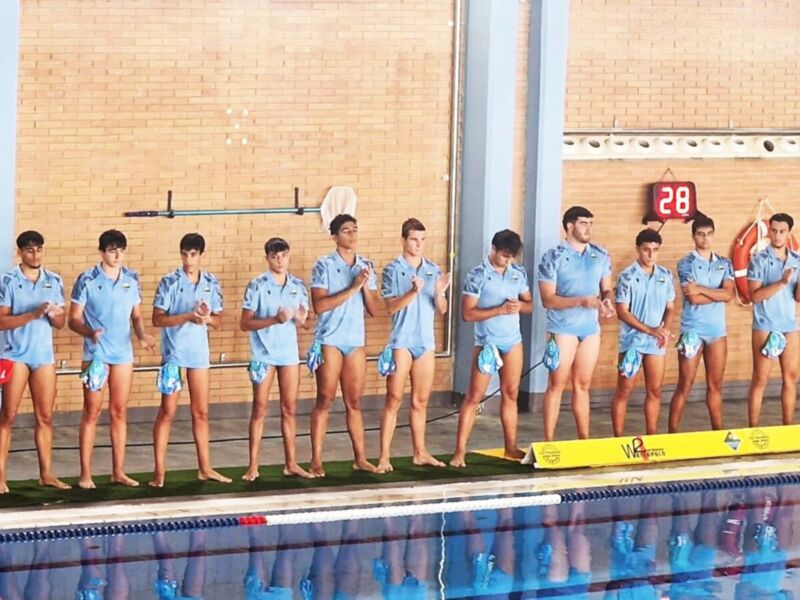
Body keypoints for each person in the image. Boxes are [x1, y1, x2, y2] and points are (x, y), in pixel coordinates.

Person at [69, 229, 157, 489]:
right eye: (112, 250)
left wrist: (142, 336)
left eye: (121, 250)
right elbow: (74, 319)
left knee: (119, 411)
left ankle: (118, 471)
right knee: (91, 412)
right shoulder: (87, 279)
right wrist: (89, 332)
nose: (117, 255)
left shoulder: (131, 278)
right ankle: (86, 473)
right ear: (101, 252)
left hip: (122, 354)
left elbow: (137, 316)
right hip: (96, 354)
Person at [149, 233, 231, 487]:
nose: (188, 259)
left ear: (201, 255)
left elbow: (218, 321)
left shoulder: (211, 283)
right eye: (184, 254)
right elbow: (157, 319)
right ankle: (159, 471)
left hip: (199, 356)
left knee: (201, 412)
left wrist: (206, 319)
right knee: (168, 411)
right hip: (174, 354)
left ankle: (205, 468)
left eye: (193, 254)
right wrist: (187, 317)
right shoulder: (169, 282)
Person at [449, 229, 533, 468]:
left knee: (510, 394)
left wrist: (519, 306)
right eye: (504, 255)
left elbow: (530, 305)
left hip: (512, 341)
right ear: (493, 249)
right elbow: (467, 314)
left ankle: (510, 447)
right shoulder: (477, 275)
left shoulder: (517, 273)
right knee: (474, 397)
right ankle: (459, 452)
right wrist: (499, 310)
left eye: (511, 257)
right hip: (487, 343)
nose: (508, 260)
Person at [377, 218, 450, 473]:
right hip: (402, 342)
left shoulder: (432, 269)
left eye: (422, 240)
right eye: (414, 240)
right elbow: (389, 307)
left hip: (425, 342)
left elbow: (442, 310)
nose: (419, 245)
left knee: (420, 401)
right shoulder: (392, 270)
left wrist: (440, 293)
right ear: (404, 240)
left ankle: (420, 452)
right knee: (394, 399)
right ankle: (384, 456)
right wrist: (412, 292)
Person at [308, 214, 379, 476]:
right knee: (325, 399)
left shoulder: (366, 265)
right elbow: (320, 305)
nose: (352, 235)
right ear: (335, 236)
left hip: (354, 340)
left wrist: (364, 286)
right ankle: (316, 460)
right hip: (330, 339)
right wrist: (353, 287)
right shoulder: (323, 265)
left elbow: (373, 310)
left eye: (355, 230)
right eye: (346, 231)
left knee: (354, 402)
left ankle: (360, 458)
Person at [0, 231, 70, 493]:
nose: (36, 255)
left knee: (45, 417)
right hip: (15, 356)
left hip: (43, 357)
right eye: (30, 250)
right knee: (8, 416)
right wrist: (33, 313)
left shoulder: (54, 280)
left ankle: (46, 474)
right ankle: (1, 476)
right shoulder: (7, 280)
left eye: (39, 249)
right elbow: (1, 321)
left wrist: (53, 316)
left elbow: (61, 324)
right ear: (20, 252)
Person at [537, 206, 614, 442]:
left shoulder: (600, 255)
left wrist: (607, 301)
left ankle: (584, 439)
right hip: (563, 328)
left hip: (590, 328)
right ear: (570, 226)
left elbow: (606, 287)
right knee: (557, 384)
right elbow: (547, 299)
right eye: (583, 223)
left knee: (583, 384)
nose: (588, 228)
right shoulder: (553, 257)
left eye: (591, 223)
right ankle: (549, 440)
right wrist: (580, 300)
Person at [240, 237, 313, 481]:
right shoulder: (257, 285)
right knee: (260, 408)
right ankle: (252, 465)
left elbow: (305, 325)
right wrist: (274, 320)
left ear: (288, 256)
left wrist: (302, 321)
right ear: (268, 258)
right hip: (263, 354)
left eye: (283, 256)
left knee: (289, 408)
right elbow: (245, 323)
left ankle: (291, 463)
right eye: (274, 256)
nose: (280, 260)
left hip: (288, 355)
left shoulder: (298, 286)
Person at [668, 215, 734, 433]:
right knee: (685, 384)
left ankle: (718, 432)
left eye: (709, 234)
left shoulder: (724, 263)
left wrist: (702, 288)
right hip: (692, 331)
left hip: (717, 331)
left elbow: (728, 295)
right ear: (693, 236)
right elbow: (693, 298)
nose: (705, 238)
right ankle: (672, 433)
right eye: (700, 234)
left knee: (715, 385)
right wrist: (715, 292)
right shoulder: (685, 263)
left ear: (714, 235)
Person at [611, 229, 675, 437]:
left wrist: (664, 327)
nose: (650, 254)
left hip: (655, 343)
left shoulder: (665, 276)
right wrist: (650, 330)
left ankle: (652, 435)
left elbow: (670, 307)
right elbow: (622, 312)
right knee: (624, 391)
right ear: (638, 250)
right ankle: (618, 438)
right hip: (632, 342)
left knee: (655, 391)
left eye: (655, 250)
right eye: (646, 250)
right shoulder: (627, 277)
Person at [746, 212, 800, 427]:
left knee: (790, 377)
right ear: (769, 231)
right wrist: (781, 282)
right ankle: (753, 428)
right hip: (765, 325)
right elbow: (755, 296)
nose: (777, 235)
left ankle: (788, 427)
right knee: (761, 379)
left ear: (789, 233)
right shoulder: (758, 260)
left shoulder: (797, 261)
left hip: (789, 324)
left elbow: (797, 297)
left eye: (782, 231)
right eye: (774, 231)